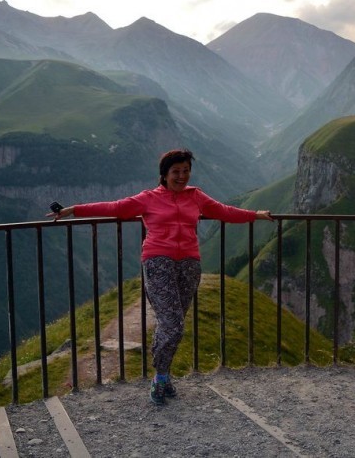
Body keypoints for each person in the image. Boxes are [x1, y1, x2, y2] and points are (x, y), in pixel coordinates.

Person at [49, 149, 273, 405]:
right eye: (176, 172)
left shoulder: (196, 196)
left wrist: (254, 215)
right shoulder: (148, 198)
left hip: (189, 263)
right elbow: (115, 208)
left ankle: (163, 374)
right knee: (174, 323)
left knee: (171, 323)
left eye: (186, 171)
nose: (182, 176)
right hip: (157, 262)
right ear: (164, 175)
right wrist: (73, 210)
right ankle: (161, 375)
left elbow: (224, 211)